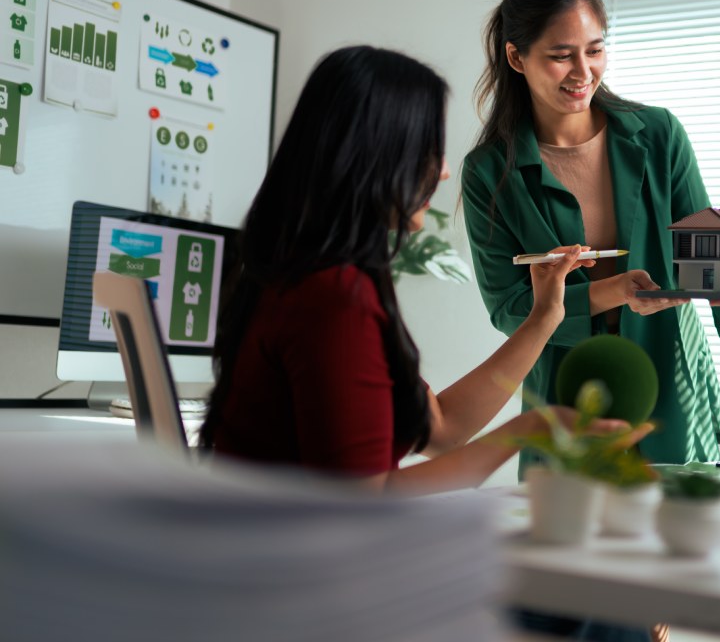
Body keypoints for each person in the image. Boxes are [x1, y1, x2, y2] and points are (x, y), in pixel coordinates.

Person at [199, 45, 634, 494]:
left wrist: (544, 316)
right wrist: (531, 430)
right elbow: (363, 503)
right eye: (428, 150)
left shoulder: (298, 273)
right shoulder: (332, 298)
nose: (444, 172)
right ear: (373, 154)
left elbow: (443, 430)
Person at [461, 0, 720, 475]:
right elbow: (510, 308)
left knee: (682, 540)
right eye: (560, 56)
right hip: (565, 392)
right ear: (516, 56)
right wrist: (614, 292)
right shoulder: (490, 171)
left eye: (595, 50)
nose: (583, 72)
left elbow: (707, 262)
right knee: (565, 546)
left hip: (672, 388)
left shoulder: (659, 134)